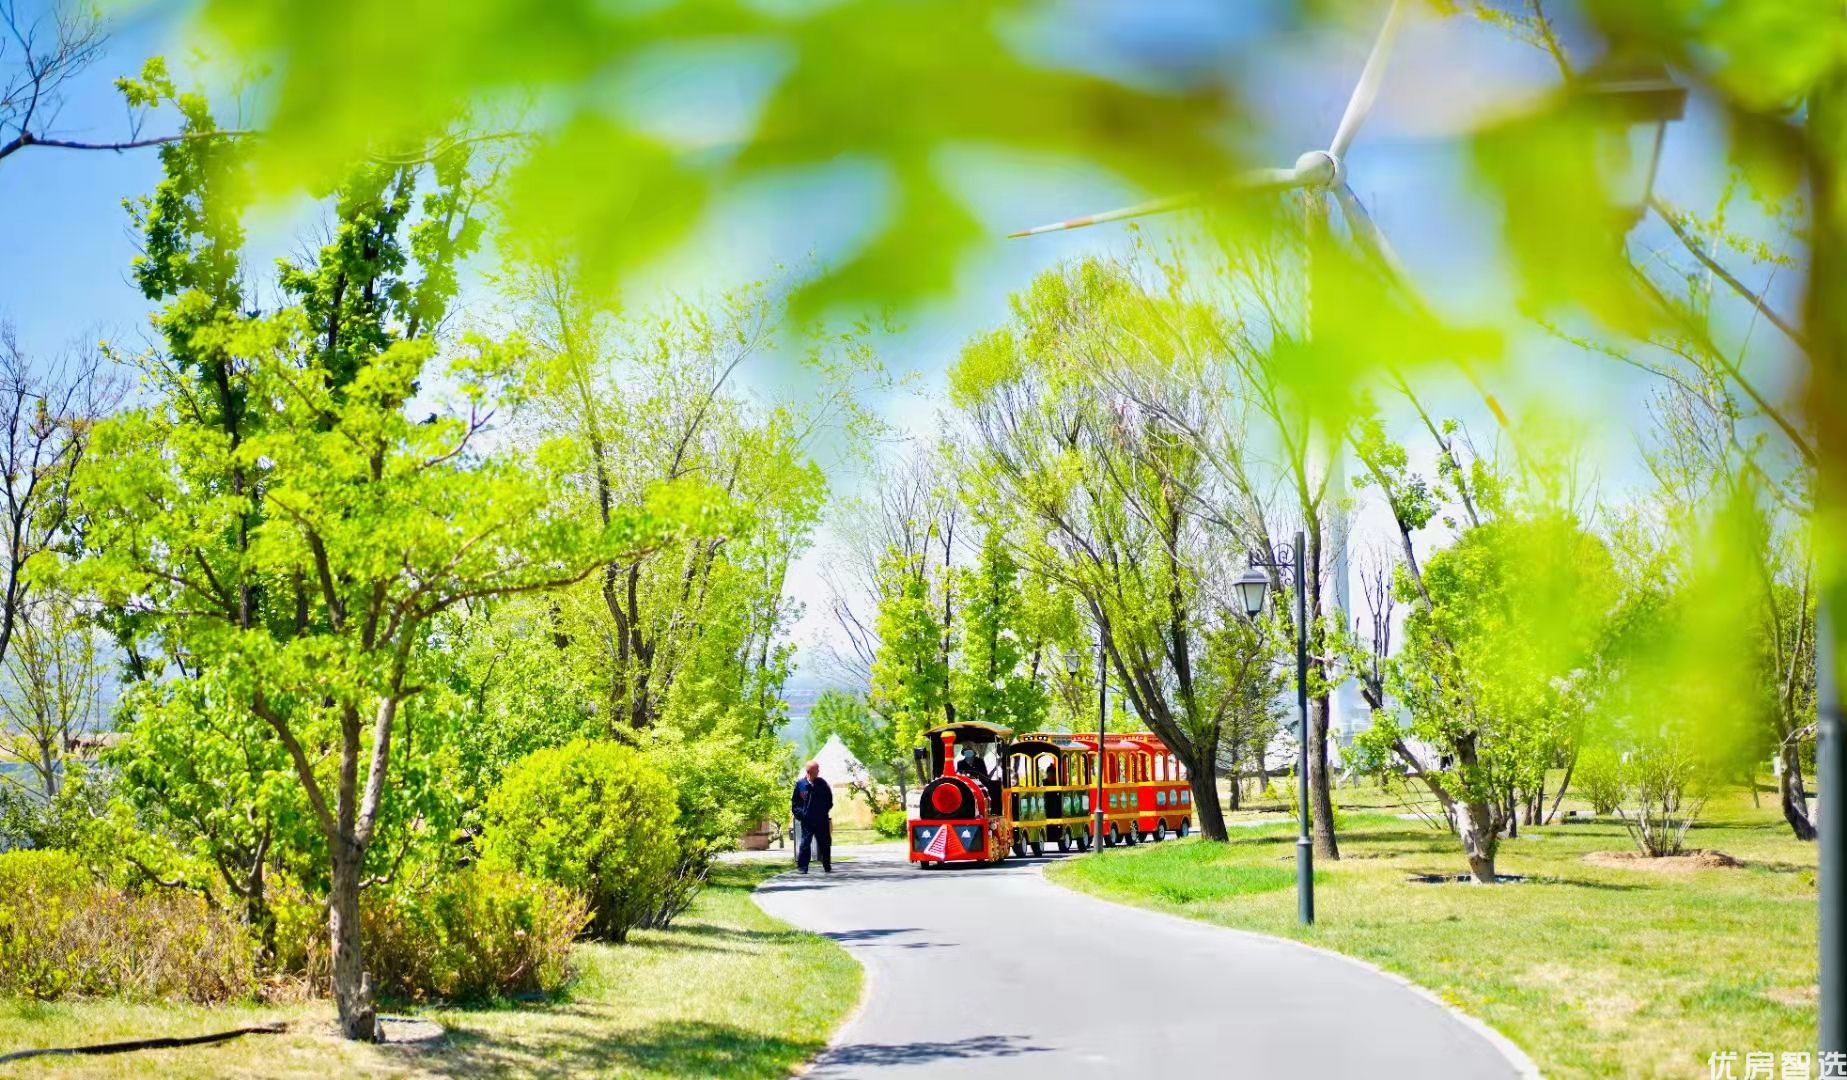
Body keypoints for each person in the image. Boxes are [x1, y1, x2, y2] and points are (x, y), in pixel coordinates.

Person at [791, 761, 833, 874]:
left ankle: (827, 865)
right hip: (807, 821)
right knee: (805, 843)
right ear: (810, 771)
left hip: (821, 820)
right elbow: (795, 804)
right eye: (816, 769)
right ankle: (802, 867)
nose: (818, 771)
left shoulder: (822, 784)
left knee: (825, 843)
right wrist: (802, 815)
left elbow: (829, 800)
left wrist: (823, 812)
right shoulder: (800, 785)